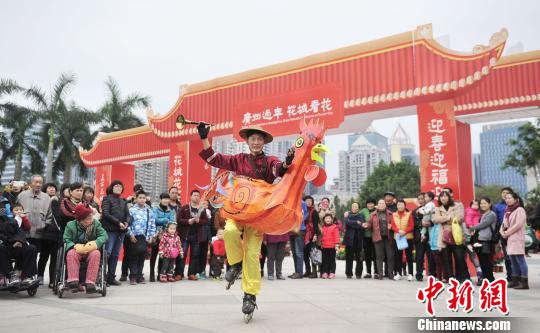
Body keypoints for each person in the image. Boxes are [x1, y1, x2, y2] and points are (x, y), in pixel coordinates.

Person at [197, 122, 294, 316]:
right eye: (253, 139)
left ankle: (250, 295)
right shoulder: (238, 159)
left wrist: (287, 162)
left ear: (263, 142)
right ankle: (234, 264)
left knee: (252, 254)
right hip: (238, 209)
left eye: (259, 139)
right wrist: (203, 137)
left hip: (258, 214)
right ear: (247, 141)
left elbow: (279, 169)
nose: (256, 142)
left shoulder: (270, 161)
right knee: (230, 231)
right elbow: (214, 158)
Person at [63, 203, 108, 293]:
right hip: (77, 249)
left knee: (96, 253)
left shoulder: (96, 224)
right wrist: (73, 245)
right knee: (71, 253)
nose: (91, 220)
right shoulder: (70, 225)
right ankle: (73, 280)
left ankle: (90, 283)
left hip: (91, 249)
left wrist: (96, 243)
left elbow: (104, 235)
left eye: (91, 217)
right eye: (88, 218)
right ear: (80, 220)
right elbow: (66, 239)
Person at [17, 175, 51, 285]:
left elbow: (49, 216)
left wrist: (44, 225)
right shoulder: (22, 195)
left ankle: (28, 276)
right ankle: (18, 275)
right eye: (36, 182)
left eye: (40, 182)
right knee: (20, 253)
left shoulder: (46, 198)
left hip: (38, 234)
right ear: (31, 183)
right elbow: (15, 210)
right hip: (23, 233)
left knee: (34, 254)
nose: (38, 184)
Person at [432, 191, 468, 282]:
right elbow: (435, 219)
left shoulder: (457, 205)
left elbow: (460, 218)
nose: (443, 198)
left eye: (445, 196)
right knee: (446, 258)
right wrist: (449, 218)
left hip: (456, 234)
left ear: (449, 197)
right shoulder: (437, 208)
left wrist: (443, 219)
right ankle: (450, 277)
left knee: (459, 257)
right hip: (444, 235)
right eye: (441, 197)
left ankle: (462, 277)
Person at [0, 198, 37, 287]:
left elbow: (19, 231)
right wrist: (10, 241)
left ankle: (27, 276)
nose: (2, 208)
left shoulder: (10, 219)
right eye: (1, 206)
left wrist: (19, 240)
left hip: (15, 245)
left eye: (3, 206)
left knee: (31, 248)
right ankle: (10, 275)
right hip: (3, 246)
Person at [101, 180, 130, 286]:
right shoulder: (107, 198)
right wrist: (118, 223)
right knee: (107, 253)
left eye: (120, 186)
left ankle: (111, 277)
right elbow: (106, 214)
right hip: (110, 230)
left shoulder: (123, 201)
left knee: (115, 254)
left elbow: (128, 215)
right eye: (116, 186)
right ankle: (102, 277)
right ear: (112, 188)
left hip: (121, 232)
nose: (118, 187)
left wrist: (127, 222)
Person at [176, 190, 208, 281]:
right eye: (194, 195)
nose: (196, 197)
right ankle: (179, 274)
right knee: (183, 255)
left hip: (197, 236)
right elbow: (178, 219)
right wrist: (187, 221)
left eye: (198, 195)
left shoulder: (202, 209)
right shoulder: (184, 207)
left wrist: (199, 221)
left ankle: (191, 274)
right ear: (191, 196)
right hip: (185, 235)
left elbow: (205, 221)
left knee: (195, 255)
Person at [126, 191, 156, 285]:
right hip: (134, 237)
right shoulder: (131, 210)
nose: (142, 199)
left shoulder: (149, 210)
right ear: (136, 199)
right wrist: (130, 234)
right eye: (140, 197)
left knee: (142, 257)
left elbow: (152, 224)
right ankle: (133, 276)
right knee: (134, 257)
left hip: (144, 237)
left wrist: (151, 236)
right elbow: (128, 224)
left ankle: (140, 276)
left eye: (144, 198)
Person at [500, 192, 529, 289]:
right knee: (513, 260)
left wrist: (507, 232)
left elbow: (518, 224)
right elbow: (503, 223)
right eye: (506, 198)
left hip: (517, 237)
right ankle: (515, 280)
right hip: (509, 238)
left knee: (520, 259)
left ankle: (524, 282)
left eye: (509, 198)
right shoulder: (507, 210)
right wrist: (502, 232)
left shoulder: (519, 210)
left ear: (515, 199)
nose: (507, 200)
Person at [366, 199, 394, 280]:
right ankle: (380, 275)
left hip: (389, 238)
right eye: (380, 203)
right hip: (378, 238)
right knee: (379, 257)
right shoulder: (373, 214)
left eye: (383, 203)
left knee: (390, 256)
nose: (381, 205)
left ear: (385, 205)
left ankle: (390, 274)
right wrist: (366, 225)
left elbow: (394, 224)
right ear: (377, 205)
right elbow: (369, 224)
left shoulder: (390, 214)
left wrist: (392, 227)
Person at [150, 193, 175, 282]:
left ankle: (160, 274)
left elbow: (173, 222)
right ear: (160, 200)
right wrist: (165, 220)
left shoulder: (171, 210)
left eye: (167, 199)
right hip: (156, 235)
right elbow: (154, 220)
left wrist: (166, 222)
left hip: (166, 237)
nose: (166, 200)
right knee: (153, 255)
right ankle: (151, 274)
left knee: (163, 256)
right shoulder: (155, 209)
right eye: (164, 199)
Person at [471, 197, 497, 282]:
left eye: (485, 203)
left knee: (487, 262)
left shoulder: (491, 214)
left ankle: (490, 279)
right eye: (481, 203)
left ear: (489, 204)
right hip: (481, 240)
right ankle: (485, 278)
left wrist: (471, 227)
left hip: (487, 240)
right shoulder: (483, 214)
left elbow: (483, 224)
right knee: (482, 261)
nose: (482, 205)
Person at [413, 193, 435, 282]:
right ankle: (419, 274)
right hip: (419, 236)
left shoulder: (431, 208)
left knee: (431, 256)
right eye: (419, 199)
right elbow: (413, 223)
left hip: (430, 235)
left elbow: (435, 219)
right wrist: (420, 223)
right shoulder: (415, 211)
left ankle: (432, 274)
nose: (421, 200)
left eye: (423, 198)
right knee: (419, 256)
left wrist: (430, 223)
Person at [391, 199, 414, 281]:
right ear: (396, 206)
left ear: (404, 206)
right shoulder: (393, 214)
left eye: (402, 205)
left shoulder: (409, 214)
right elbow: (393, 225)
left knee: (409, 256)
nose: (400, 206)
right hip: (398, 237)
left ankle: (410, 274)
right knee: (398, 256)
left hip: (407, 237)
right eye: (398, 205)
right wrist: (398, 231)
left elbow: (411, 226)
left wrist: (404, 231)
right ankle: (398, 273)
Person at [494, 187, 514, 281]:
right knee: (507, 256)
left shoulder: (516, 206)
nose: (505, 194)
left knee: (515, 256)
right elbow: (496, 221)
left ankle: (518, 276)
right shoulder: (497, 206)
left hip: (514, 233)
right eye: (503, 192)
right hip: (503, 233)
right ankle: (510, 276)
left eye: (507, 193)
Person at [463, 199, 483, 285]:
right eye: (473, 204)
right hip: (467, 239)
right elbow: (468, 223)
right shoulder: (469, 213)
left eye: (477, 204)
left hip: (472, 238)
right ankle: (467, 276)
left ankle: (479, 275)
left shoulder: (479, 214)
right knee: (467, 257)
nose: (475, 206)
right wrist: (471, 228)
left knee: (473, 257)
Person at [343, 202, 364, 279]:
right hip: (349, 239)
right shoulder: (347, 215)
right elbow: (347, 222)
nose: (354, 208)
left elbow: (360, 225)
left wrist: (352, 223)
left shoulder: (361, 215)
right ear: (351, 207)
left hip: (358, 239)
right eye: (353, 206)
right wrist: (355, 222)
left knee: (359, 258)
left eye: (356, 206)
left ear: (358, 208)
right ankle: (349, 273)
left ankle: (358, 273)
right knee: (349, 257)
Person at [303, 196, 320, 279]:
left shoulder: (314, 211)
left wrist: (315, 235)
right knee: (305, 254)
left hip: (311, 234)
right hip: (304, 234)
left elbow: (316, 225)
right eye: (307, 201)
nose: (309, 202)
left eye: (310, 201)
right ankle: (307, 270)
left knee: (312, 253)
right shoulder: (302, 211)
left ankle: (314, 272)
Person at [360, 199, 377, 278]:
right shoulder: (364, 211)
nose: (370, 205)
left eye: (371, 204)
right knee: (367, 255)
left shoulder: (377, 210)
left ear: (374, 204)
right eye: (368, 204)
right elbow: (356, 215)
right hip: (366, 237)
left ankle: (376, 272)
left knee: (376, 255)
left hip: (376, 237)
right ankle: (368, 272)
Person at [320, 214, 340, 279]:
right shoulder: (323, 227)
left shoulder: (335, 227)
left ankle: (332, 272)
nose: (327, 219)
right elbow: (321, 237)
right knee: (325, 260)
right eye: (326, 218)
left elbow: (337, 236)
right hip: (324, 247)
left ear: (332, 219)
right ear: (324, 220)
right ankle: (325, 272)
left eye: (329, 218)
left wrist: (336, 244)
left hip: (332, 247)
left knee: (332, 260)